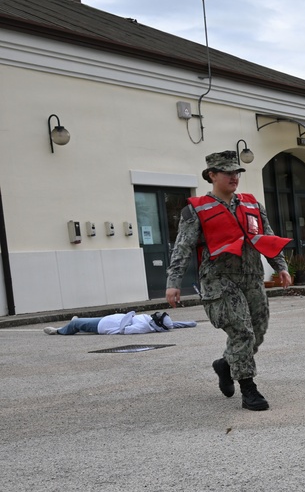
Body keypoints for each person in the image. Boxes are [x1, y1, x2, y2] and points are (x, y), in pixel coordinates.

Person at [165, 151, 292, 412]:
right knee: (241, 331)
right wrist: (173, 281)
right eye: (227, 172)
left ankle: (225, 365)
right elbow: (182, 247)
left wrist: (281, 266)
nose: (234, 177)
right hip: (219, 280)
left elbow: (266, 236)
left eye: (237, 172)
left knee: (258, 331)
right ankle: (249, 388)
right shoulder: (196, 210)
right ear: (212, 175)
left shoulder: (252, 205)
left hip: (251, 278)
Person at [43, 311, 195, 335]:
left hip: (104, 325)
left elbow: (124, 330)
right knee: (81, 323)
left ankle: (58, 331)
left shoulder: (143, 327)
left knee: (77, 324)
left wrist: (130, 315)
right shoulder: (152, 322)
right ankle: (76, 324)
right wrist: (191, 323)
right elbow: (175, 324)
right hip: (109, 319)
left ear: (158, 322)